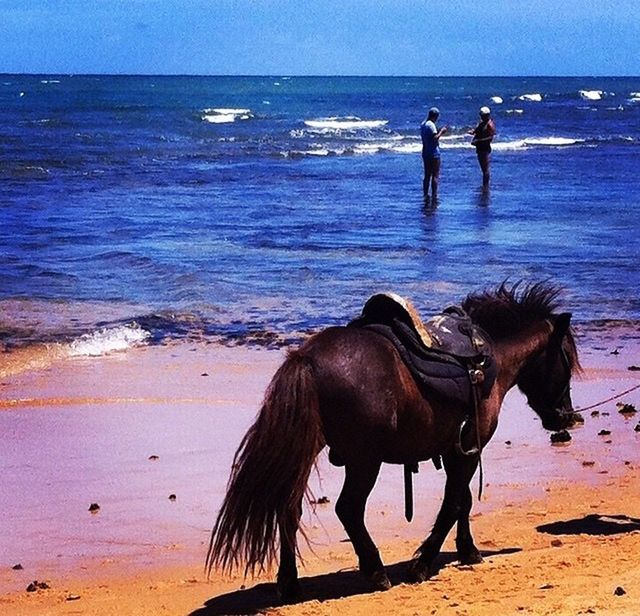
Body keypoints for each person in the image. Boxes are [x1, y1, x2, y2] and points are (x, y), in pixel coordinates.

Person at [420, 107, 448, 199]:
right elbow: (435, 137)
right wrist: (442, 132)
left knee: (427, 175)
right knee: (435, 175)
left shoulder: (423, 124)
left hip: (425, 152)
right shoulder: (431, 125)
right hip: (433, 153)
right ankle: (434, 195)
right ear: (435, 116)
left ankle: (425, 194)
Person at [469, 106, 496, 188]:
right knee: (483, 168)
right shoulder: (482, 123)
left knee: (485, 169)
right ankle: (485, 185)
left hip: (484, 148)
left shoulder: (489, 125)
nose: (481, 117)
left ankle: (486, 186)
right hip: (480, 148)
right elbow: (477, 130)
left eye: (483, 115)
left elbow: (491, 137)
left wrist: (479, 140)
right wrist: (472, 132)